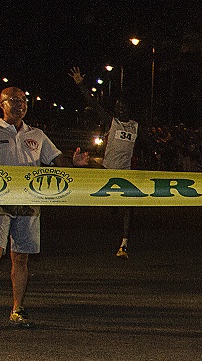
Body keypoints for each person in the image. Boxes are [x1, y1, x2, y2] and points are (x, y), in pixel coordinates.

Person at [0, 87, 90, 328]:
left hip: (29, 203)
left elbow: (56, 160)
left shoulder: (37, 134)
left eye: (23, 100)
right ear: (2, 104)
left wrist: (74, 163)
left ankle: (17, 308)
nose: (20, 104)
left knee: (21, 258)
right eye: (14, 100)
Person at [70, 67, 142, 259]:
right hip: (107, 170)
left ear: (128, 109)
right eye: (117, 107)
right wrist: (81, 85)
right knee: (112, 207)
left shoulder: (136, 126)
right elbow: (94, 104)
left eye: (122, 107)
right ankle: (112, 206)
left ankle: (124, 243)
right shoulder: (112, 122)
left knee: (128, 207)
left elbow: (142, 146)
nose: (119, 110)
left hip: (125, 172)